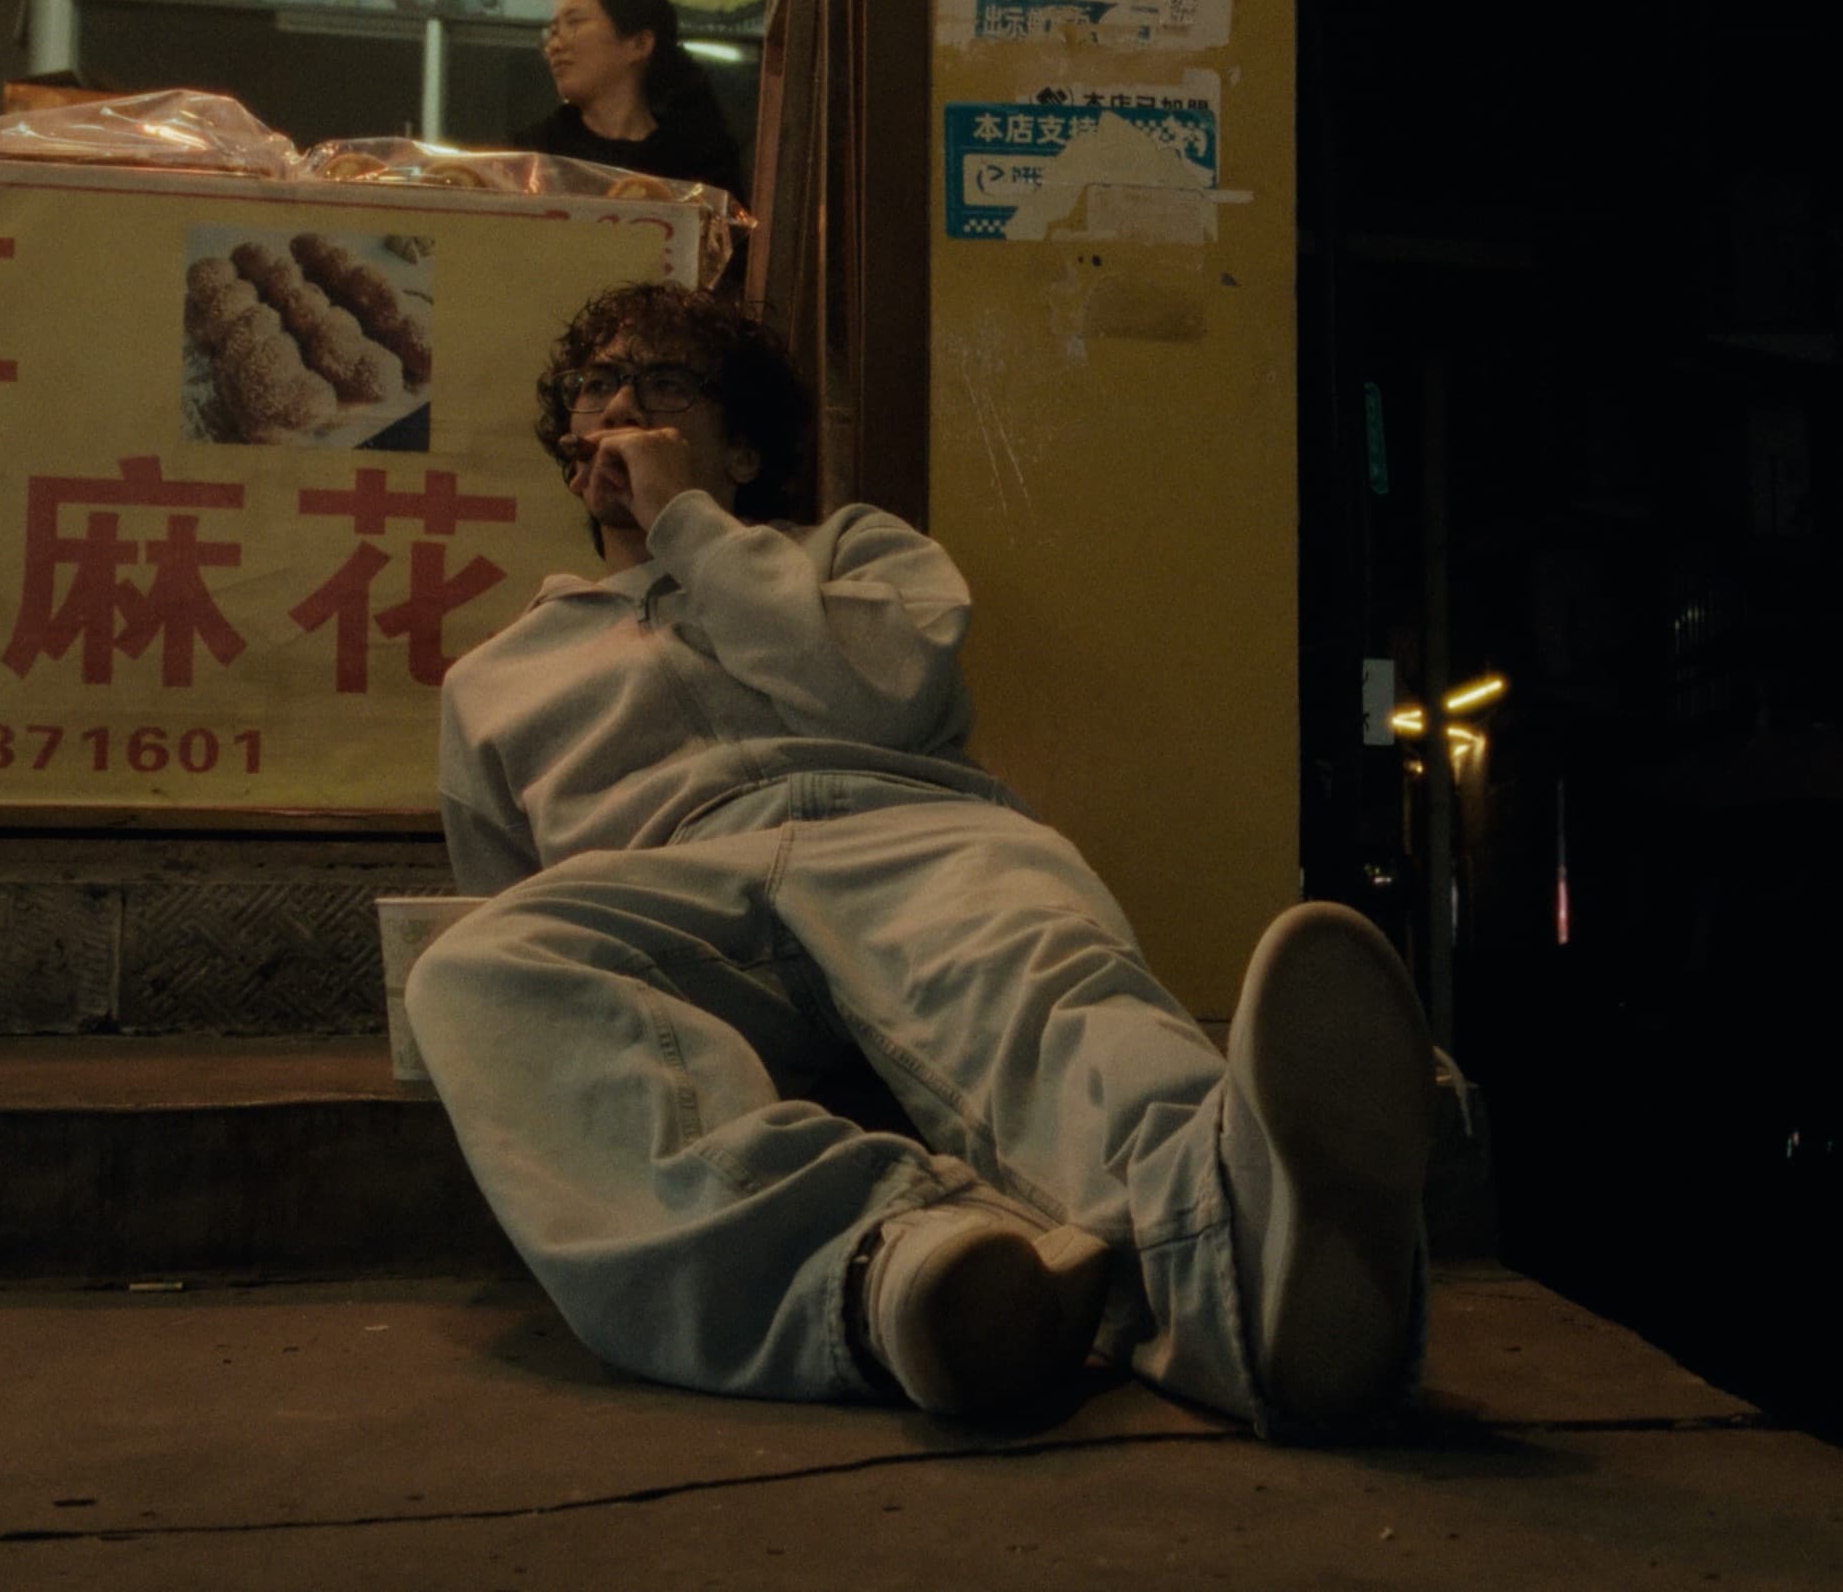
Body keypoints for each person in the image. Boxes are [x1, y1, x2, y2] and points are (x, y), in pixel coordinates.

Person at [404, 281, 1438, 1436]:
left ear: (742, 445)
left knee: (1055, 988)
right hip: (672, 882)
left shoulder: (859, 553)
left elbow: (880, 697)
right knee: (475, 969)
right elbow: (508, 896)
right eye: (600, 384)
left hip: (912, 830)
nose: (624, 406)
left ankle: (1250, 1253)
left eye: (669, 382)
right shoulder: (494, 677)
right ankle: (898, 1269)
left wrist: (691, 525)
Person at [515, 0, 745, 201]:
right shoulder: (532, 156)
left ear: (639, 44)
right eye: (552, 32)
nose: (554, 46)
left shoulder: (701, 161)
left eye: (574, 23)